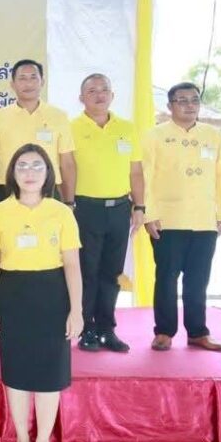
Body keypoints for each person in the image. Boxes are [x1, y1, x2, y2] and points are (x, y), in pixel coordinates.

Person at [0, 144, 83, 442]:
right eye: (22, 166)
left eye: (37, 166)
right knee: (16, 373)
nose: (29, 172)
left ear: (48, 173)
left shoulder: (61, 212)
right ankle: (22, 440)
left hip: (53, 296)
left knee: (49, 374)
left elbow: (72, 264)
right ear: (12, 173)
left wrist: (76, 310)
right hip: (12, 295)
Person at [143, 82, 221, 352]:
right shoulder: (155, 135)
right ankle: (164, 331)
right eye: (182, 100)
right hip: (167, 219)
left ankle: (198, 332)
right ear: (170, 106)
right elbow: (144, 176)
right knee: (166, 278)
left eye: (194, 100)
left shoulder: (213, 135)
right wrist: (149, 214)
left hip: (204, 219)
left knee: (198, 279)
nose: (189, 105)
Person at [70, 74, 144, 353]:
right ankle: (86, 329)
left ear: (112, 95)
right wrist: (67, 205)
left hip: (120, 209)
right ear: (81, 98)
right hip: (84, 208)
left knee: (112, 273)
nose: (99, 95)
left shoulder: (127, 128)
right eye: (92, 91)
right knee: (87, 272)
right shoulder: (71, 128)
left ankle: (107, 329)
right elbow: (66, 169)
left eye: (104, 90)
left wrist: (140, 207)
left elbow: (135, 171)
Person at [0, 60, 76, 208]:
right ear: (12, 84)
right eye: (22, 78)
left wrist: (69, 202)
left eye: (33, 77)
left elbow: (67, 163)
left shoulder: (59, 116)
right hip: (8, 192)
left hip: (48, 191)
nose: (28, 83)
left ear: (42, 82)